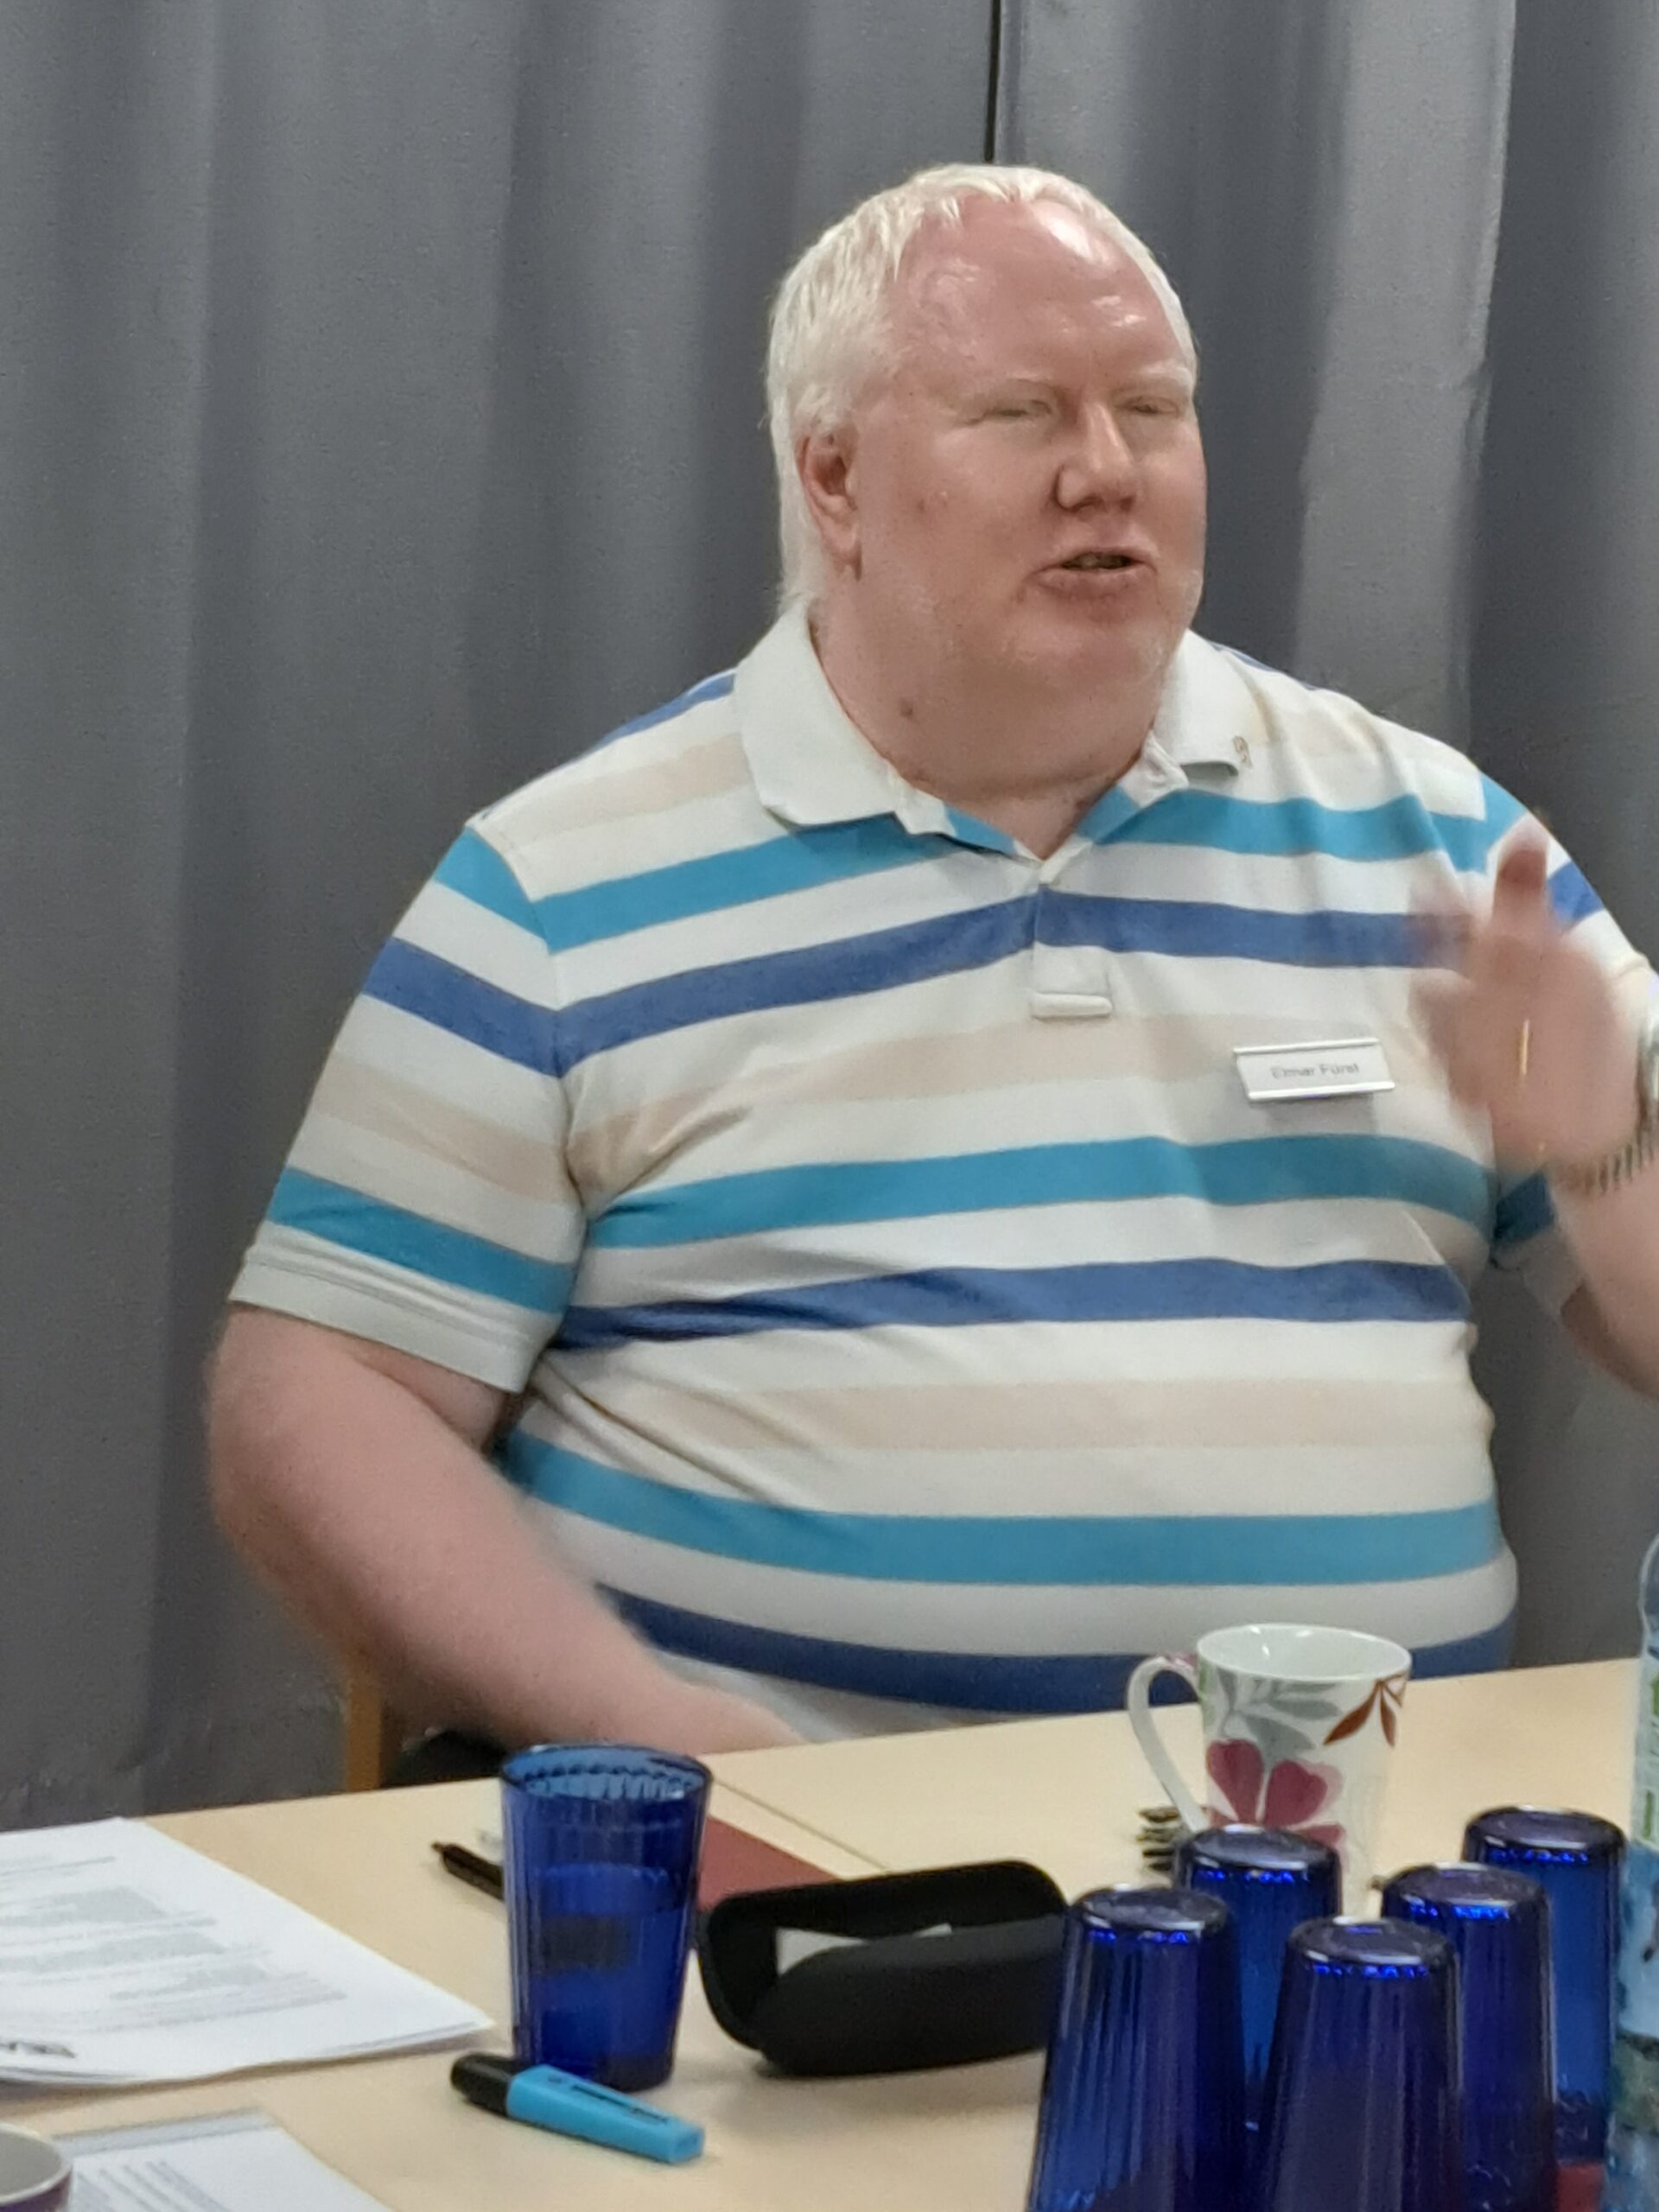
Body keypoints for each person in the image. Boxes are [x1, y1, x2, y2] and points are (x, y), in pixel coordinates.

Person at [208, 162, 1659, 1764]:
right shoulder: (562, 884)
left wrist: (1605, 1155)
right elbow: (318, 1396)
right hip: (796, 1866)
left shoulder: (1439, 846)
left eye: (1152, 410)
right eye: (1024, 415)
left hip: (1360, 1866)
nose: (1106, 473)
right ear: (832, 477)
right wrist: (660, 1742)